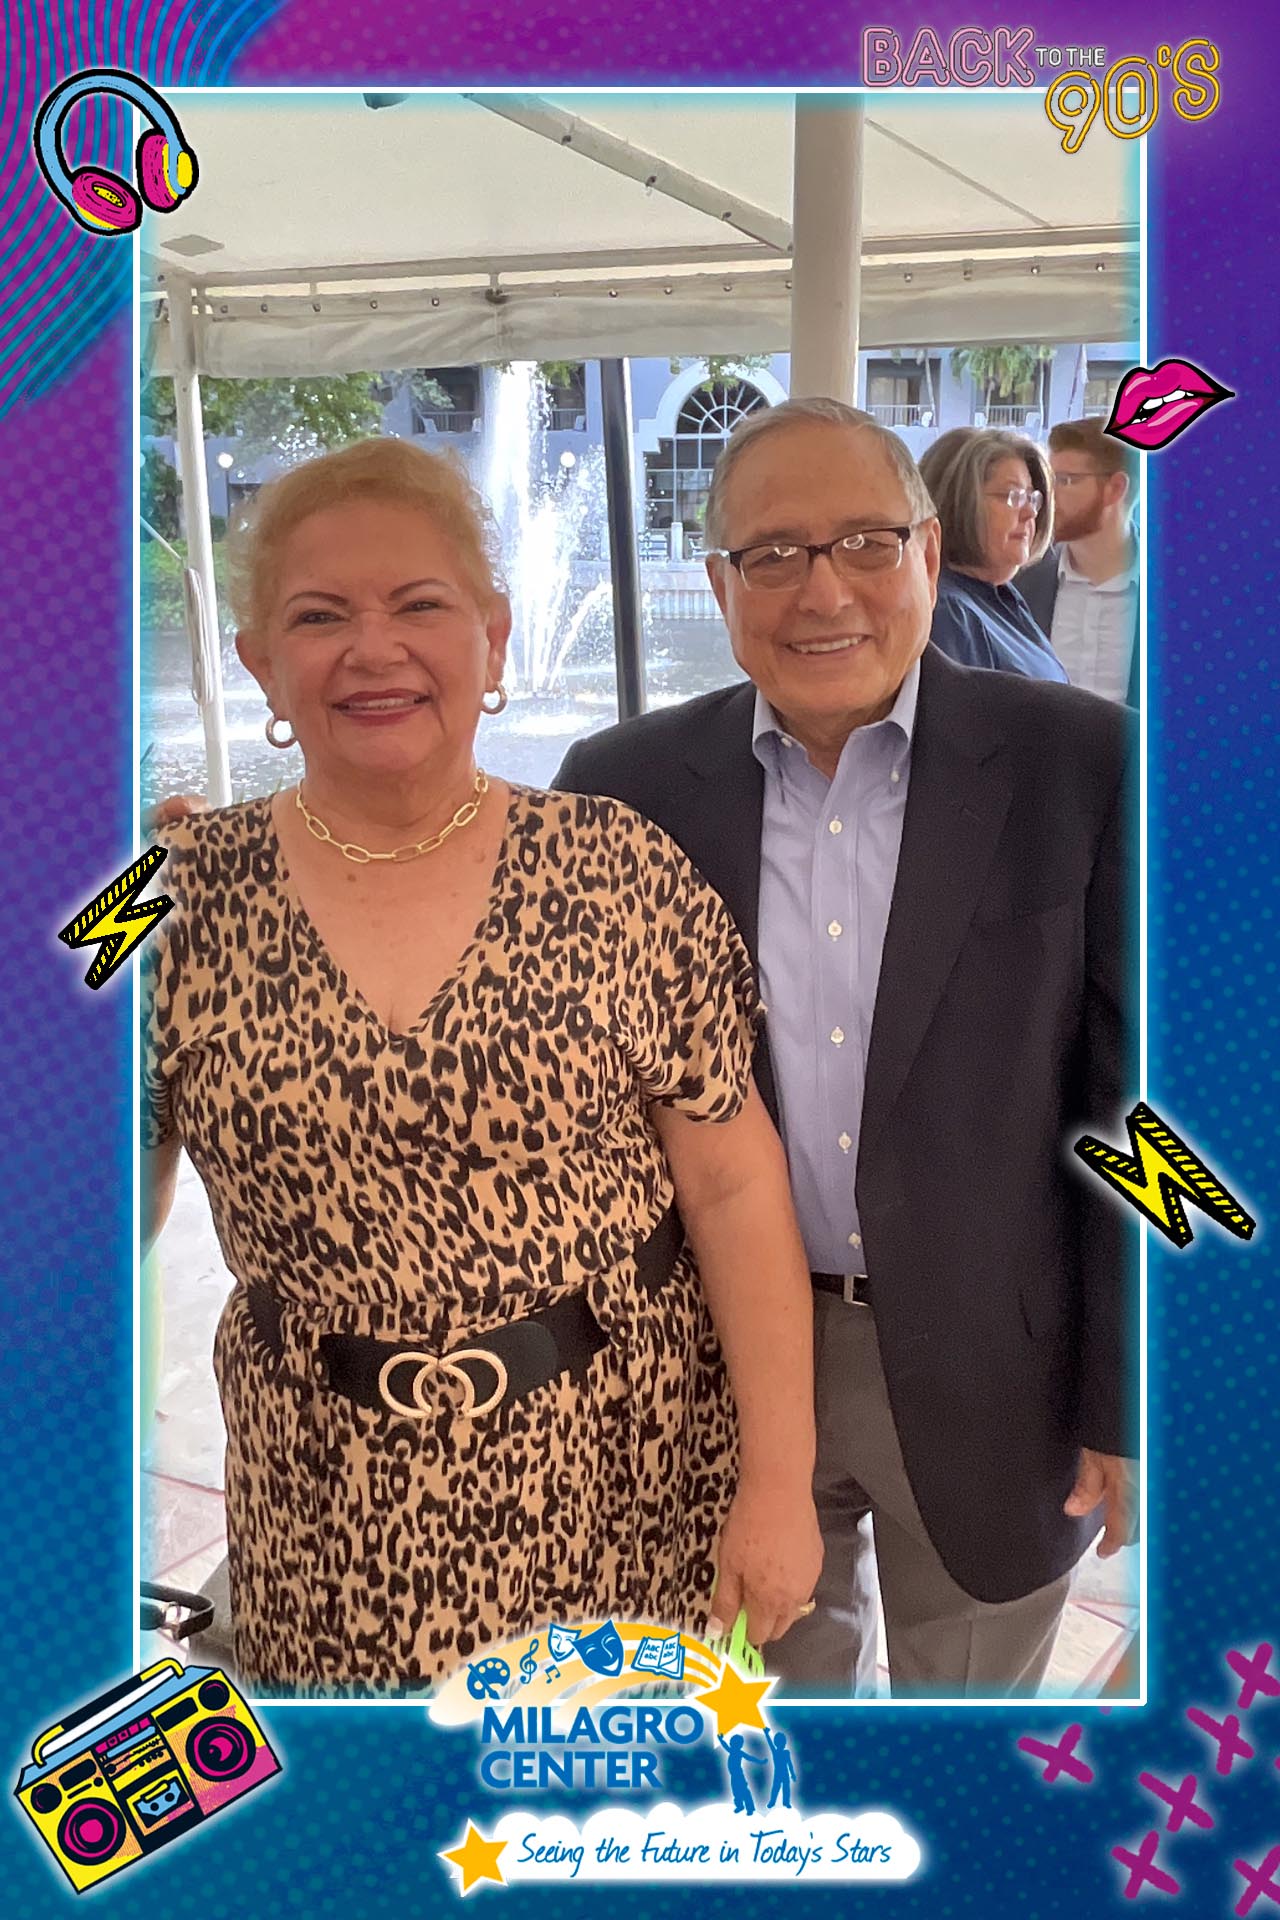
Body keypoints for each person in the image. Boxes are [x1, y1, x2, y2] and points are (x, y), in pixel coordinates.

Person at [142, 437, 821, 1694]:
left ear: (493, 641)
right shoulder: (163, 895)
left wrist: (777, 1486)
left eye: (419, 605)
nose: (374, 648)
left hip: (625, 1472)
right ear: (259, 664)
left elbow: (730, 1184)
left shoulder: (618, 868)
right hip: (326, 1504)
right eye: (319, 616)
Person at [555, 397, 1136, 1698]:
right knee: (766, 1718)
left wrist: (1132, 1384)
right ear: (721, 585)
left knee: (967, 1729)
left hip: (1005, 1369)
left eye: (866, 543)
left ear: (928, 552)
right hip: (718, 1362)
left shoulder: (1081, 763)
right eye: (772, 554)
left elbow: (1136, 1109)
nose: (823, 591)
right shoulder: (621, 787)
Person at [917, 426, 1068, 682]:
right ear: (958, 502)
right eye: (1013, 496)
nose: (1030, 513)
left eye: (1031, 498)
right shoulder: (948, 612)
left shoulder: (1002, 595)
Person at [1016, 418, 1139, 706]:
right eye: (1047, 481)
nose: (1047, 497)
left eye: (1065, 480)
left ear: (1115, 488)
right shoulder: (1020, 582)